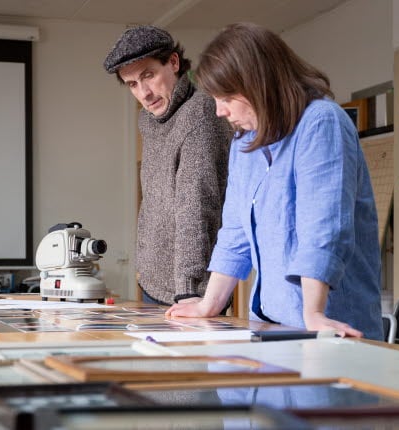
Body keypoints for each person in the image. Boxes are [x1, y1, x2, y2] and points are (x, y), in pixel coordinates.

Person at [166, 23, 383, 339]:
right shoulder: (245, 142)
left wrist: (313, 312)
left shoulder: (321, 122)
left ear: (257, 84)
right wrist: (209, 304)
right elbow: (235, 234)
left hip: (329, 325)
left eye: (226, 97)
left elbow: (323, 228)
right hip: (271, 324)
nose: (219, 111)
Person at [103, 26, 232, 306]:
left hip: (188, 291)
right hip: (153, 281)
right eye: (132, 84)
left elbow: (196, 207)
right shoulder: (149, 120)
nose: (144, 93)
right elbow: (154, 202)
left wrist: (189, 288)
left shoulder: (199, 113)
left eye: (148, 75)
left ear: (173, 62)